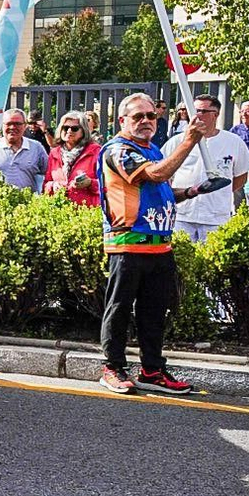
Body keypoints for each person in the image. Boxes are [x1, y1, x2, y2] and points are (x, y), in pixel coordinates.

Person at [96, 94, 211, 395]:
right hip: (128, 246)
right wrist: (189, 140)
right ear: (122, 121)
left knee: (154, 314)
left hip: (160, 247)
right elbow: (156, 173)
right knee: (119, 310)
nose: (146, 121)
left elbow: (162, 190)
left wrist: (194, 190)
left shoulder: (152, 150)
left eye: (150, 115)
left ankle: (152, 370)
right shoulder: (119, 150)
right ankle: (112, 367)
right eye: (138, 116)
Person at [164, 94, 249, 243]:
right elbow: (164, 172)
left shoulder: (233, 142)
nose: (197, 115)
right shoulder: (177, 141)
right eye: (194, 110)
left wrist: (220, 192)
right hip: (182, 215)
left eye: (202, 111)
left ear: (215, 114)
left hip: (216, 217)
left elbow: (241, 176)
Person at [45, 111, 102, 208]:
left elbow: (107, 185)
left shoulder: (95, 152)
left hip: (87, 210)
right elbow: (46, 183)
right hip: (60, 210)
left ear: (83, 131)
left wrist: (90, 183)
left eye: (74, 128)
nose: (69, 131)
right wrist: (53, 185)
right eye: (65, 128)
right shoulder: (54, 153)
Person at [0, 108, 50, 191]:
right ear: (2, 126)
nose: (12, 127)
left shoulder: (36, 147)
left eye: (17, 124)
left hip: (27, 198)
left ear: (25, 126)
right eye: (8, 123)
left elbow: (50, 172)